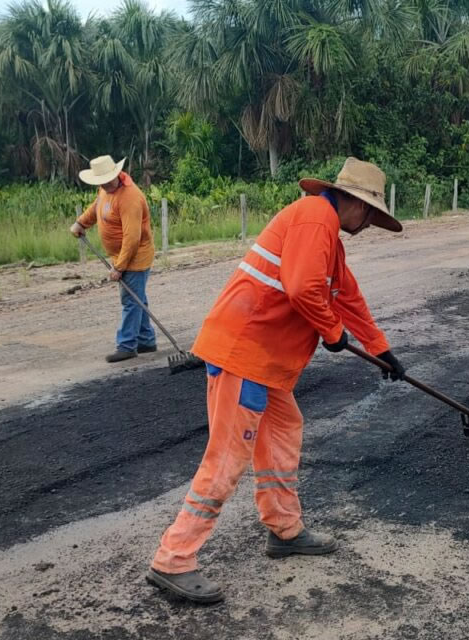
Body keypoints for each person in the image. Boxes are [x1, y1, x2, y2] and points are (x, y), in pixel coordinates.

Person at [146, 157, 406, 603]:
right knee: (228, 456)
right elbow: (303, 288)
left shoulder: (327, 235)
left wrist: (380, 349)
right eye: (368, 213)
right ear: (351, 202)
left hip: (264, 361)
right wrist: (332, 333)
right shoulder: (314, 218)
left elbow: (346, 296)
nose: (366, 224)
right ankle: (173, 559)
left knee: (284, 430)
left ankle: (284, 530)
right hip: (244, 354)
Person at [70, 155, 157, 363]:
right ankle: (146, 340)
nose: (104, 184)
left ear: (117, 174)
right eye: (101, 181)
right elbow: (97, 207)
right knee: (137, 299)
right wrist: (81, 223)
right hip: (121, 256)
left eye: (107, 180)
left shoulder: (130, 198)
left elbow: (132, 238)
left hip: (135, 257)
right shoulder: (106, 190)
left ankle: (127, 345)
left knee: (130, 301)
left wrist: (119, 267)